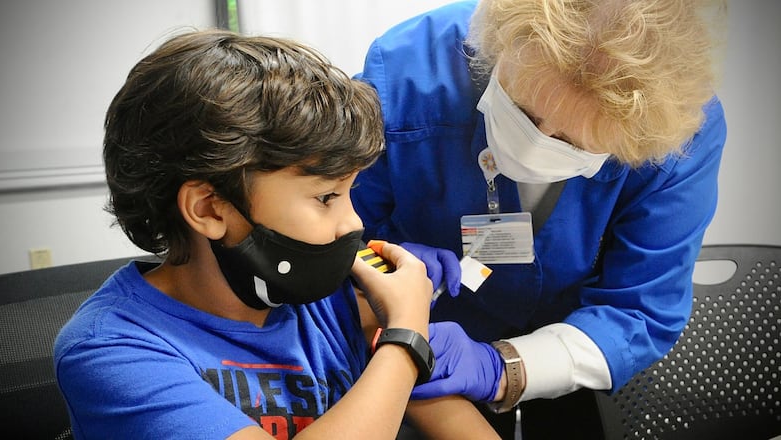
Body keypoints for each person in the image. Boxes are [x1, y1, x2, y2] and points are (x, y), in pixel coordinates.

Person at [53, 29, 500, 439]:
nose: (354, 223)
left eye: (351, 192)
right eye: (326, 198)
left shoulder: (338, 301)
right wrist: (406, 339)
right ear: (209, 208)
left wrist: (398, 325)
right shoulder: (110, 350)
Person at [351, 0, 727, 437]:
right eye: (525, 111)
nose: (536, 144)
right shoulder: (407, 70)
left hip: (566, 347)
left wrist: (502, 367)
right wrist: (377, 263)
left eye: (570, 140)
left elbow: (638, 312)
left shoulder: (679, 134)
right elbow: (334, 236)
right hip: (404, 342)